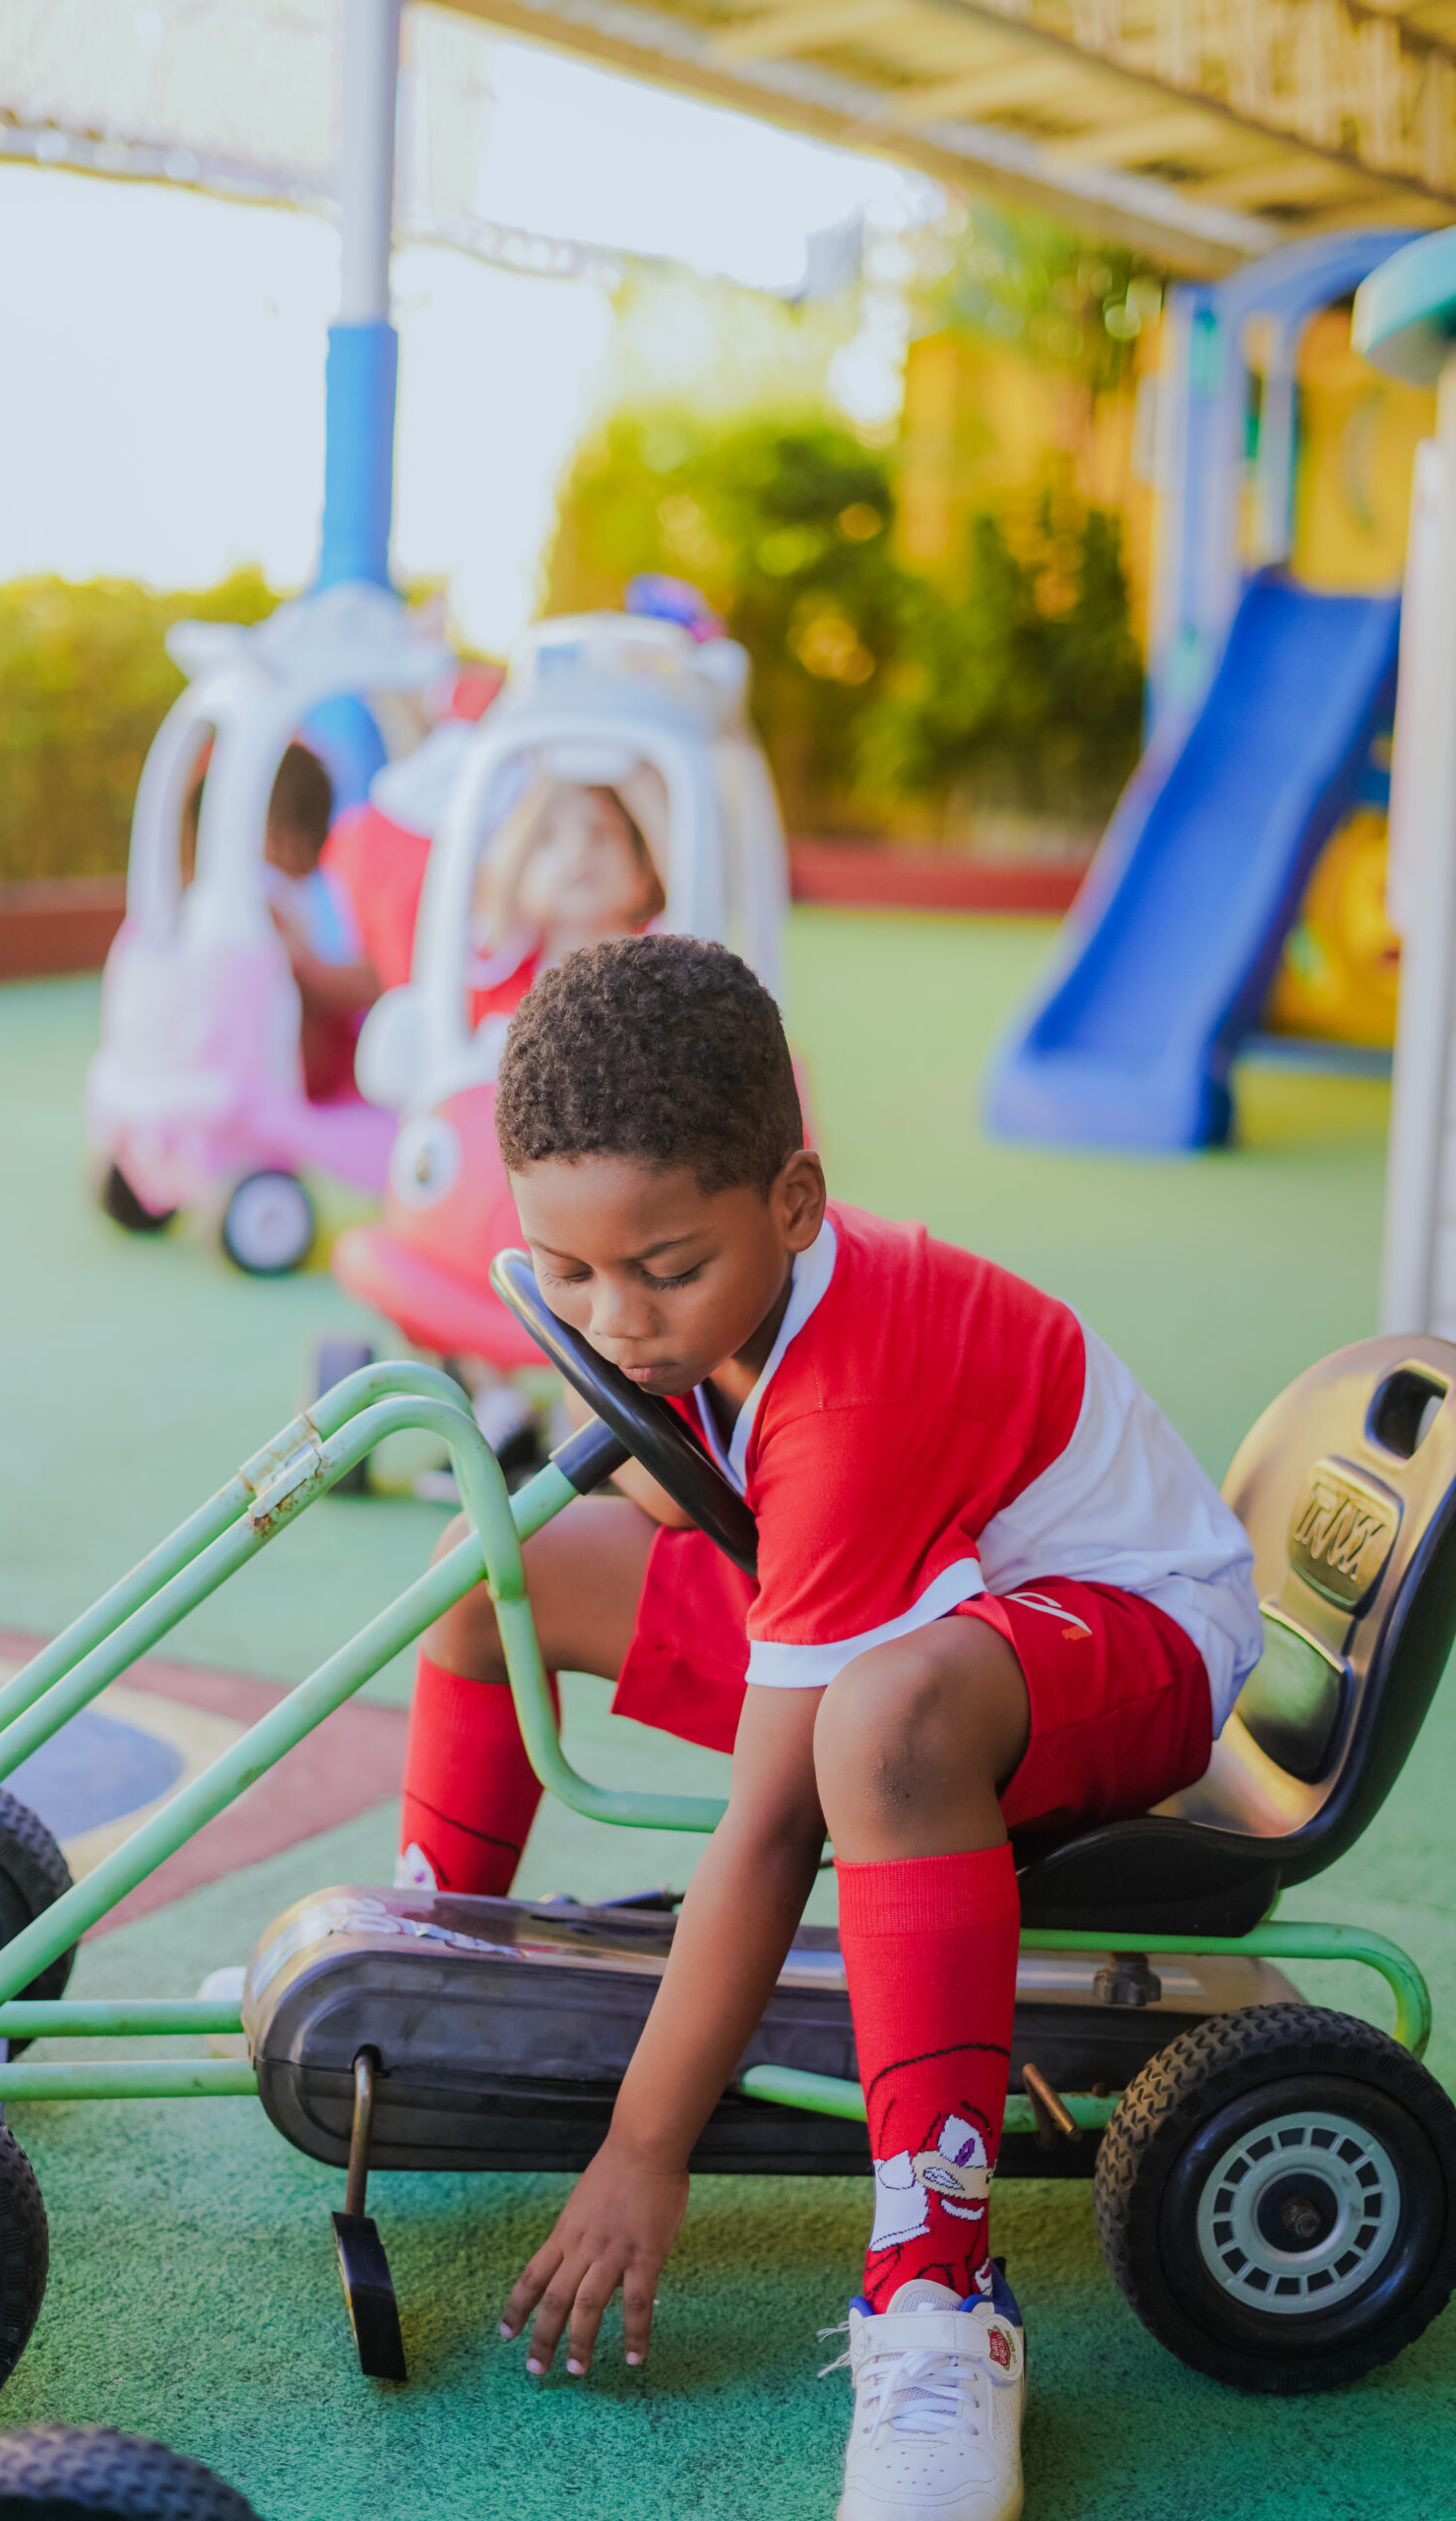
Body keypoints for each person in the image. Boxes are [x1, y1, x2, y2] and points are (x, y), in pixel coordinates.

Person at [398, 934, 1261, 2521]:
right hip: (940, 1589)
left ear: (794, 1202)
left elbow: (774, 1824)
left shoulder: (854, 1395)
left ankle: (938, 2292)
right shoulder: (728, 1303)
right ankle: (426, 1957)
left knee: (876, 1731)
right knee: (490, 1573)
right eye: (568, 1271)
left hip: (1127, 1635)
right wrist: (649, 1374)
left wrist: (643, 2148)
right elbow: (696, 1486)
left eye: (667, 1270)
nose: (619, 1319)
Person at [467, 778, 665, 1025]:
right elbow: (501, 892)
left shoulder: (660, 955)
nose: (577, 851)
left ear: (643, 873)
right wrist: (547, 779)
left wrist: (634, 786)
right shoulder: (508, 960)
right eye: (548, 837)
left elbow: (687, 883)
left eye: (601, 833)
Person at [257, 743, 379, 1104]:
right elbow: (308, 972)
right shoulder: (264, 894)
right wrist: (384, 981)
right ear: (286, 836)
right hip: (300, 1068)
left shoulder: (290, 889)